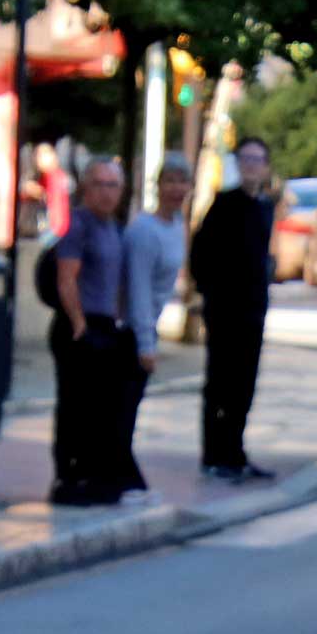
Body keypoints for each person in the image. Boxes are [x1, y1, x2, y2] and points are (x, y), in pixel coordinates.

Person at [192, 135, 277, 482]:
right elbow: (200, 253)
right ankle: (214, 454)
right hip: (225, 310)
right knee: (220, 383)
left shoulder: (265, 207)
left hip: (253, 310)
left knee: (244, 384)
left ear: (266, 167)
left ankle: (235, 451)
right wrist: (210, 295)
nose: (251, 166)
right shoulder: (224, 204)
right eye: (245, 159)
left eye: (257, 160)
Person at [49, 157, 131, 505]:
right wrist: (79, 323)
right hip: (79, 325)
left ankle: (93, 476)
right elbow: (66, 277)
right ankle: (68, 478)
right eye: (99, 184)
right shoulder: (78, 225)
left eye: (113, 185)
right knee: (74, 407)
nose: (106, 193)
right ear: (86, 187)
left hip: (105, 325)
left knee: (100, 409)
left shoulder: (115, 228)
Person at [115, 154, 194, 502]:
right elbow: (138, 290)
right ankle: (122, 480)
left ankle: (125, 478)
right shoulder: (144, 231)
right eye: (170, 181)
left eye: (182, 181)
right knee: (122, 410)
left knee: (129, 409)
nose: (176, 189)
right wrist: (145, 344)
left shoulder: (176, 226)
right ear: (158, 186)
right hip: (130, 331)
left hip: (149, 324)